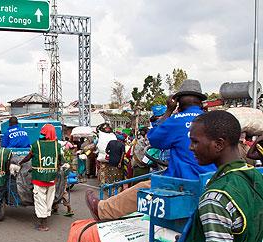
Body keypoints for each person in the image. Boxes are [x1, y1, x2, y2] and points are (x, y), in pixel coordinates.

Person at [165, 110, 263, 242]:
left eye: (195, 141)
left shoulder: (216, 197)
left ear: (219, 144)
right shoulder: (254, 179)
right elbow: (236, 232)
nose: (191, 148)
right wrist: (193, 241)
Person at [86, 79, 217, 220]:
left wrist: (169, 111)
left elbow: (153, 139)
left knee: (141, 188)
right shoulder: (213, 121)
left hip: (183, 183)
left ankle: (103, 211)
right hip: (211, 182)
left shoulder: (176, 120)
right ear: (200, 101)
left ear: (178, 102)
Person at [19, 124, 64, 231]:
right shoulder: (57, 145)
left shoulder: (36, 145)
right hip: (52, 178)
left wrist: (20, 162)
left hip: (39, 178)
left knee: (40, 200)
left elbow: (28, 157)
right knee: (49, 199)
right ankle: (45, 218)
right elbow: (60, 161)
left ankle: (43, 224)